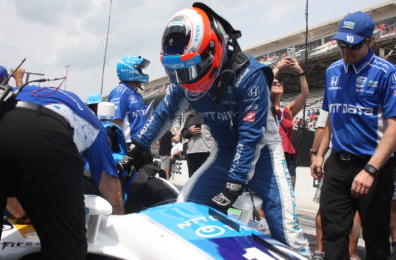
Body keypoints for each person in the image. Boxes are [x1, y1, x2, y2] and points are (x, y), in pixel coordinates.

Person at [116, 3, 310, 256]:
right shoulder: (182, 81)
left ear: (213, 49)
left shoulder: (250, 75)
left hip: (264, 156)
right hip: (224, 154)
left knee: (287, 233)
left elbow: (251, 137)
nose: (186, 79)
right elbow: (164, 114)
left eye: (190, 68)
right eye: (178, 72)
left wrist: (234, 184)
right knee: (183, 211)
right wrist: (137, 148)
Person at [0, 68, 123, 259]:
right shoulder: (96, 127)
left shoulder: (23, 90)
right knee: (67, 248)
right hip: (41, 134)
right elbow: (111, 188)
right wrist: (120, 224)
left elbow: (17, 208)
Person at [311, 11, 396, 260]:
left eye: (354, 45)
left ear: (369, 41)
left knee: (376, 237)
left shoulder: (386, 73)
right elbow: (331, 117)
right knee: (333, 233)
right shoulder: (332, 71)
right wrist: (319, 153)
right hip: (338, 164)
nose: (346, 51)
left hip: (374, 165)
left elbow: (394, 127)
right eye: (341, 44)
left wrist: (371, 170)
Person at [310, 110, 361, 260]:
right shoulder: (334, 92)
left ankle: (322, 250)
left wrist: (314, 153)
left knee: (326, 210)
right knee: (331, 210)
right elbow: (323, 128)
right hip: (333, 160)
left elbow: (321, 130)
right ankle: (350, 253)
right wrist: (318, 155)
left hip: (337, 159)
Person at [272, 56, 309, 189]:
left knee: (289, 192)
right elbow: (263, 84)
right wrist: (278, 67)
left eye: (279, 83)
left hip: (287, 156)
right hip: (269, 154)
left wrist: (299, 70)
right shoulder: (264, 107)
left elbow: (305, 94)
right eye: (274, 83)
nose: (277, 84)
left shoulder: (288, 110)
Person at [108, 56, 149, 144]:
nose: (142, 73)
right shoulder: (119, 93)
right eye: (140, 70)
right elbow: (115, 123)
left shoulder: (136, 94)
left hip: (142, 145)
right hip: (129, 145)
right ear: (130, 70)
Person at [181, 110, 214, 177]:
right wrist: (190, 131)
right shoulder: (191, 115)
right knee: (192, 180)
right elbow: (184, 133)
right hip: (191, 152)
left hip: (208, 151)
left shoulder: (212, 112)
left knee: (206, 179)